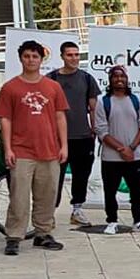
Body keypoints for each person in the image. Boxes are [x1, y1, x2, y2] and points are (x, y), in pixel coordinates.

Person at [0, 40, 69, 255]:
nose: (31, 60)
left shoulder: (53, 86)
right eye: (27, 56)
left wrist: (64, 145)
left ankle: (43, 233)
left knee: (47, 195)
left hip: (49, 150)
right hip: (21, 150)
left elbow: (60, 117)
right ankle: (14, 236)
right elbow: (5, 120)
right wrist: (8, 148)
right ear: (21, 58)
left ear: (41, 59)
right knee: (19, 197)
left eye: (35, 56)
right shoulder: (10, 87)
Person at [95, 65, 140, 235]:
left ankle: (139, 221)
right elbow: (101, 131)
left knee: (136, 191)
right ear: (110, 80)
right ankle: (112, 221)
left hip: (134, 156)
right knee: (110, 191)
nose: (119, 79)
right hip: (111, 157)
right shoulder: (103, 101)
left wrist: (131, 148)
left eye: (122, 76)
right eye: (115, 76)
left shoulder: (135, 100)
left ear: (127, 79)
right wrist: (121, 149)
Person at [49, 41, 100, 226]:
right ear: (62, 56)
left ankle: (77, 210)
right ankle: (49, 214)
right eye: (70, 55)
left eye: (77, 55)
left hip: (83, 137)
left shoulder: (87, 79)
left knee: (81, 175)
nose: (74, 58)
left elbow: (93, 108)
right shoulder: (51, 79)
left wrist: (94, 129)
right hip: (57, 138)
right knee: (54, 177)